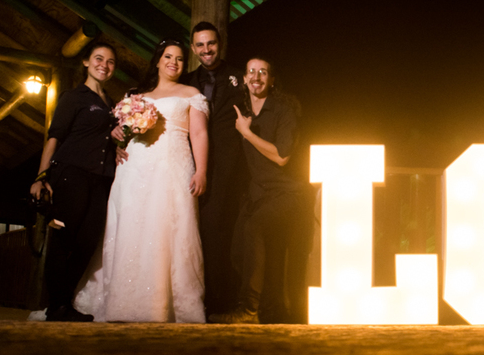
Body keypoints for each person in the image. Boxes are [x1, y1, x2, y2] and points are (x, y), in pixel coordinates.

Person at [76, 39, 209, 322]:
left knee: (168, 225)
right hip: (135, 166)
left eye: (180, 59)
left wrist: (201, 170)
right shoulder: (137, 95)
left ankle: (162, 302)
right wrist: (118, 141)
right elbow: (122, 130)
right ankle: (123, 299)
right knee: (131, 225)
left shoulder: (191, 94)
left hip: (172, 165)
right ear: (158, 60)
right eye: (168, 56)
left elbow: (198, 134)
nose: (174, 62)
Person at [211, 58, 310, 324]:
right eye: (251, 72)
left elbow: (281, 156)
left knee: (254, 228)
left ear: (272, 80)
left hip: (286, 193)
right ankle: (266, 308)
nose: (257, 76)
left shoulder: (283, 110)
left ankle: (248, 310)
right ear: (244, 79)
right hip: (257, 193)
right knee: (237, 250)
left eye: (263, 72)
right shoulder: (241, 109)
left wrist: (247, 133)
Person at [30, 42, 119, 322]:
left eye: (110, 61)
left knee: (88, 241)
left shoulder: (113, 104)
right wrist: (41, 176)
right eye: (98, 58)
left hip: (101, 179)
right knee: (64, 239)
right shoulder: (74, 96)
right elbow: (54, 137)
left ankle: (63, 301)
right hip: (72, 174)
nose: (104, 64)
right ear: (85, 62)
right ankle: (57, 305)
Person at [185, 21, 249, 315]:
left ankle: (219, 297)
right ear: (193, 47)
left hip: (226, 165)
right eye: (200, 45)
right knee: (191, 229)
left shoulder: (239, 76)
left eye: (210, 43)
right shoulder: (185, 82)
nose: (206, 50)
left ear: (219, 44)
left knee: (218, 229)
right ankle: (194, 293)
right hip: (189, 162)